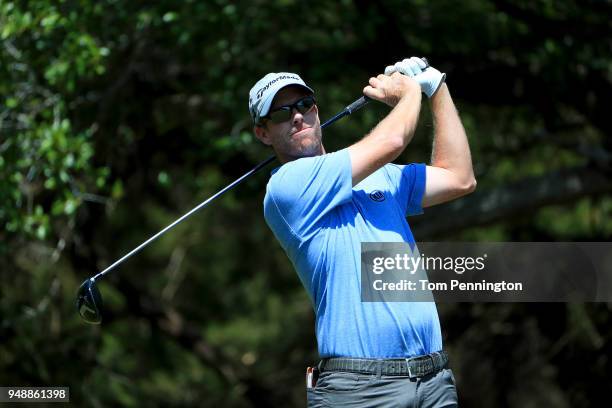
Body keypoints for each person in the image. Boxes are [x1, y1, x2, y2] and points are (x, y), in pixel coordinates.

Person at [248, 57, 475, 407]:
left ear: (317, 112)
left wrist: (437, 88)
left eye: (304, 105)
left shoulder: (380, 175)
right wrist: (409, 91)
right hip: (359, 388)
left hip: (434, 380)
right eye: (280, 114)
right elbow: (394, 138)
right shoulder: (286, 188)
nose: (297, 116)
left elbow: (460, 177)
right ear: (263, 133)